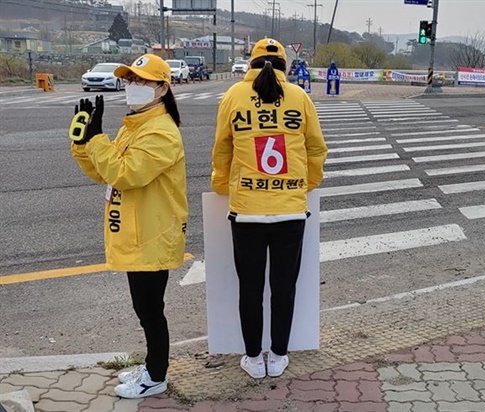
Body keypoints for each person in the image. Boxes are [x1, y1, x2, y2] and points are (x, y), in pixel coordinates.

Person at [69, 54, 188, 398]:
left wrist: (96, 140)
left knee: (150, 310)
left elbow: (126, 173)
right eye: (131, 80)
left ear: (163, 88)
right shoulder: (132, 127)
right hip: (134, 232)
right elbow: (103, 172)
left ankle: (156, 376)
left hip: (152, 235)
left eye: (143, 81)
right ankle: (152, 366)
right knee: (145, 308)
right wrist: (82, 143)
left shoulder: (162, 132)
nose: (134, 86)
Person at [211, 38, 328, 379]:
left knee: (249, 288)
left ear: (251, 64)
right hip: (290, 212)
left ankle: (252, 357)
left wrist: (223, 186)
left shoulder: (233, 96)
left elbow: (222, 149)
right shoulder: (300, 97)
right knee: (284, 287)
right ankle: (277, 356)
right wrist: (305, 185)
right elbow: (316, 148)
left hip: (246, 211)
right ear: (285, 67)